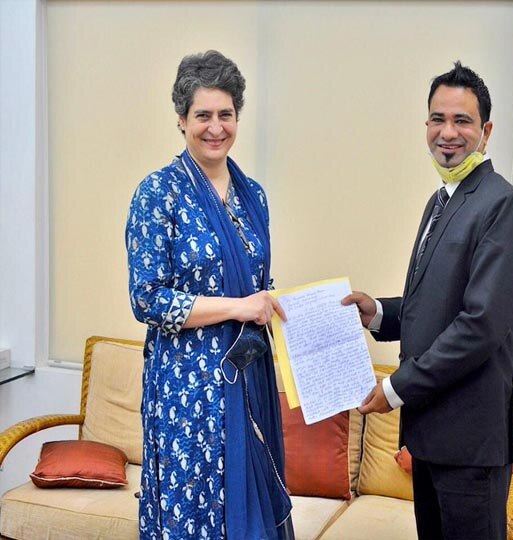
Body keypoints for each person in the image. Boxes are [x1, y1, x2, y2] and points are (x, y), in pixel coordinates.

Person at [342, 61, 513, 540]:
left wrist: (394, 388)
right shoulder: (443, 199)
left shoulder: (501, 206)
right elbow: (436, 304)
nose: (448, 133)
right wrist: (380, 312)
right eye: (437, 119)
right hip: (430, 437)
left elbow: (479, 325)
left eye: (462, 121)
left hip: (470, 445)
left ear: (486, 132)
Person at [126, 50, 294, 540]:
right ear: (181, 120)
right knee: (192, 515)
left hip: (247, 378)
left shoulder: (253, 195)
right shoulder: (157, 194)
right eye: (203, 115)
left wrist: (285, 308)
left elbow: (256, 283)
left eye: (225, 115)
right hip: (187, 390)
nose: (215, 127)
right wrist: (241, 307)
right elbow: (148, 299)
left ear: (237, 117)